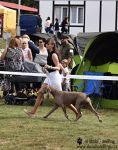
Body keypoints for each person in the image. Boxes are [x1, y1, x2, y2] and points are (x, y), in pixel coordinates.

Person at [24, 38, 62, 117]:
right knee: (40, 92)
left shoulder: (54, 54)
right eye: (46, 44)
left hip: (55, 77)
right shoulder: (49, 53)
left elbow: (58, 67)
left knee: (62, 99)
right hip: (49, 76)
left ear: (52, 45)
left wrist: (49, 67)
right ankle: (33, 112)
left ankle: (77, 112)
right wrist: (46, 69)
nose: (46, 45)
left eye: (47, 44)